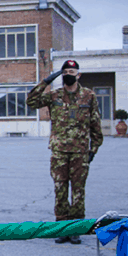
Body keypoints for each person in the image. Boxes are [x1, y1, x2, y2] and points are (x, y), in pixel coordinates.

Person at [26, 59, 103, 244]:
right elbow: (31, 101)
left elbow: (95, 125)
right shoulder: (54, 95)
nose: (69, 74)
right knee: (60, 190)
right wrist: (45, 82)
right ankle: (62, 228)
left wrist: (93, 150)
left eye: (72, 71)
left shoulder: (89, 96)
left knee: (78, 191)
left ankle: (76, 229)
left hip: (80, 152)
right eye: (65, 71)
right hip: (59, 151)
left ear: (79, 74)